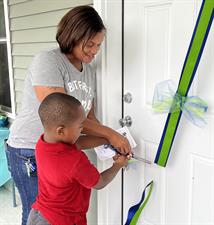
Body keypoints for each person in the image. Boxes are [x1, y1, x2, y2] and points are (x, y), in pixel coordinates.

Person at [6, 5, 131, 225]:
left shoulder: (89, 71)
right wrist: (110, 135)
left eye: (98, 45)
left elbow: (87, 120)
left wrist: (107, 141)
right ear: (72, 36)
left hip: (63, 149)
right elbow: (61, 114)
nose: (94, 51)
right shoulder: (48, 61)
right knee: (40, 213)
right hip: (29, 149)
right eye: (89, 44)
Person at [26, 93, 130, 225]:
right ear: (61, 131)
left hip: (38, 215)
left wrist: (108, 138)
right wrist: (118, 165)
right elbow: (100, 182)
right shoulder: (74, 161)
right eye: (81, 126)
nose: (83, 129)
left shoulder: (42, 143)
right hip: (62, 221)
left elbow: (78, 143)